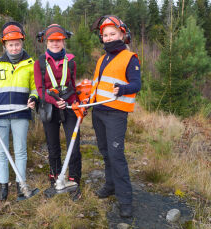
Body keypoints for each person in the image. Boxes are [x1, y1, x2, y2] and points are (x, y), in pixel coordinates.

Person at [0, 21, 38, 201]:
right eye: (11, 45)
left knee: (20, 151)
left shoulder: (30, 64)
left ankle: (21, 187)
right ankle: (3, 187)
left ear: (22, 43)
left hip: (21, 113)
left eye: (17, 44)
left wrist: (34, 97)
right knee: (1, 152)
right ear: (4, 45)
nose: (14, 48)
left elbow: (36, 87)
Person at [90, 15, 141, 218]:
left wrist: (122, 89)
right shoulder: (102, 59)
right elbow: (97, 85)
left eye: (113, 34)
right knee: (105, 152)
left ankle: (125, 200)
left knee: (117, 156)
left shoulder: (130, 58)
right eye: (105, 35)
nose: (109, 38)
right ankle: (110, 186)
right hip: (99, 112)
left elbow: (136, 85)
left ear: (122, 34)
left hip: (116, 115)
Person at [34, 24, 82, 201]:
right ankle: (55, 176)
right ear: (46, 42)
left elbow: (73, 85)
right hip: (49, 107)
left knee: (74, 146)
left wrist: (77, 104)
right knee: (53, 146)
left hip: (70, 107)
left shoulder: (71, 61)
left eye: (59, 40)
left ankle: (74, 179)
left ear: (64, 40)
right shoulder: (39, 63)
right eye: (52, 40)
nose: (55, 43)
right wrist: (55, 101)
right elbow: (40, 90)